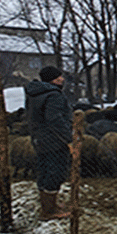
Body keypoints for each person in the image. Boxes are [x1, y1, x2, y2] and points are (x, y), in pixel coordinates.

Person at [25, 65, 72, 219]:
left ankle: (48, 205)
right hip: (54, 140)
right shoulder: (53, 95)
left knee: (44, 170)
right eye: (59, 77)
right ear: (53, 79)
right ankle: (49, 211)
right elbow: (55, 119)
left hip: (39, 138)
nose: (62, 79)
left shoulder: (35, 94)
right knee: (56, 171)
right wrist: (68, 139)